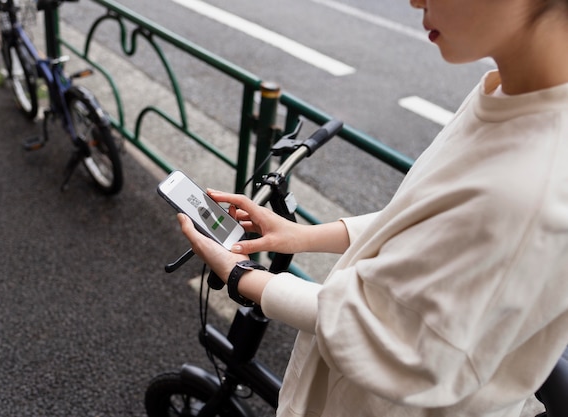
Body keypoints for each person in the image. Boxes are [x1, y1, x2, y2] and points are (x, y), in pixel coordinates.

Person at [177, 0, 568, 415]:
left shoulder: (532, 184)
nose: (414, 1)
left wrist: (239, 275)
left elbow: (382, 332)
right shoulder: (507, 92)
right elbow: (426, 222)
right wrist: (304, 235)